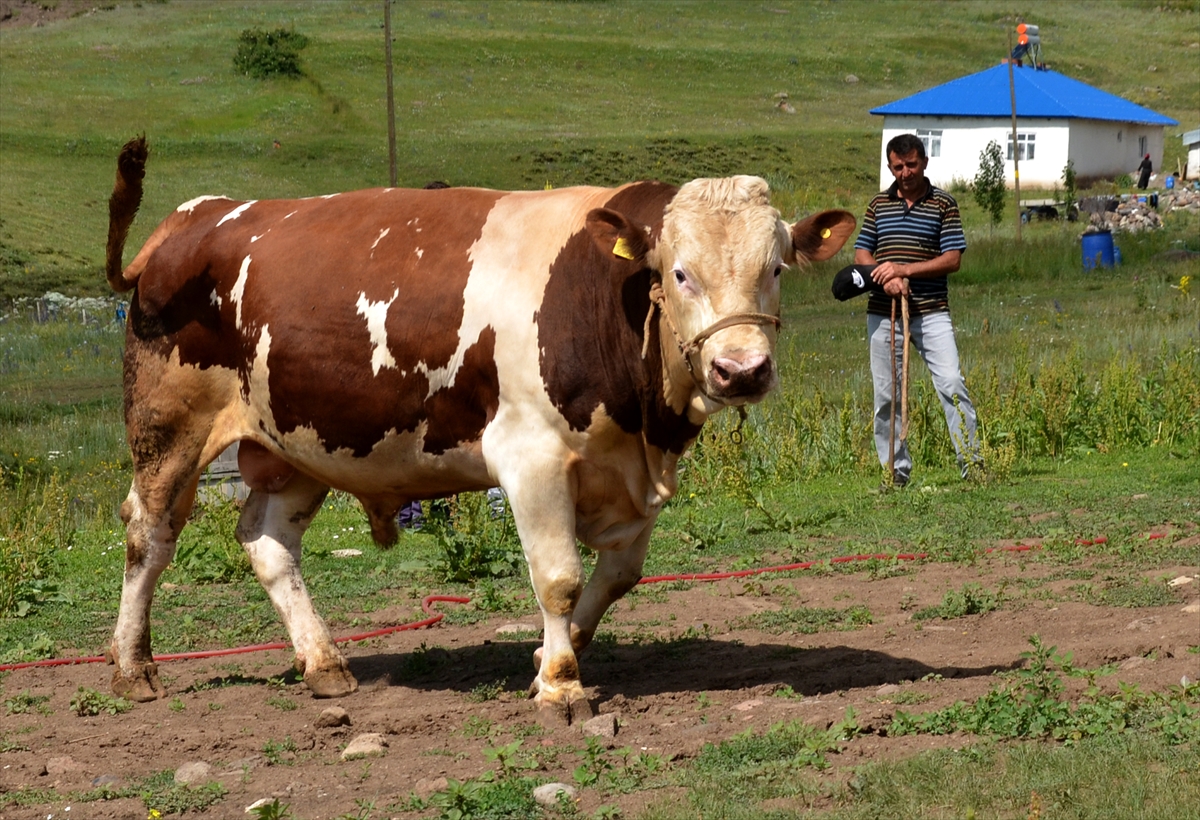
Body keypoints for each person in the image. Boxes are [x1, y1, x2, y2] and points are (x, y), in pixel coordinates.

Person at [853, 133, 981, 487]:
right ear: (890, 166)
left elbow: (952, 259)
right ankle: (894, 472)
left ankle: (973, 466)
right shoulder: (879, 204)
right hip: (883, 310)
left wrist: (904, 270)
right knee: (886, 394)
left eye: (911, 165)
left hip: (931, 310)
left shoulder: (943, 204)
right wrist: (884, 277)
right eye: (898, 166)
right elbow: (862, 253)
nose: (905, 173)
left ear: (924, 162)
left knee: (952, 384)